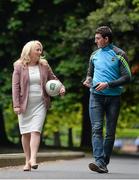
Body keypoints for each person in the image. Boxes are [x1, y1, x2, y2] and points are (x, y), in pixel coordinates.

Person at [83, 26, 131, 173]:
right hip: (95, 96)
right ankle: (99, 161)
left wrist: (108, 84)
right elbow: (90, 73)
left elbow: (127, 77)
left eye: (98, 38)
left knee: (110, 132)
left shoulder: (119, 54)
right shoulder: (94, 55)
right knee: (97, 129)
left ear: (106, 39)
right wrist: (88, 80)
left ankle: (104, 163)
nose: (95, 40)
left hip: (113, 98)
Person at [12, 40, 66, 171]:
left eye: (40, 49)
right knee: (25, 133)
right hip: (24, 104)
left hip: (40, 103)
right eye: (37, 49)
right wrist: (16, 105)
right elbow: (15, 86)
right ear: (29, 50)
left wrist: (61, 87)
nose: (40, 52)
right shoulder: (19, 66)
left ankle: (34, 159)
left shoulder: (44, 65)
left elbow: (54, 78)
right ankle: (27, 161)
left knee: (36, 131)